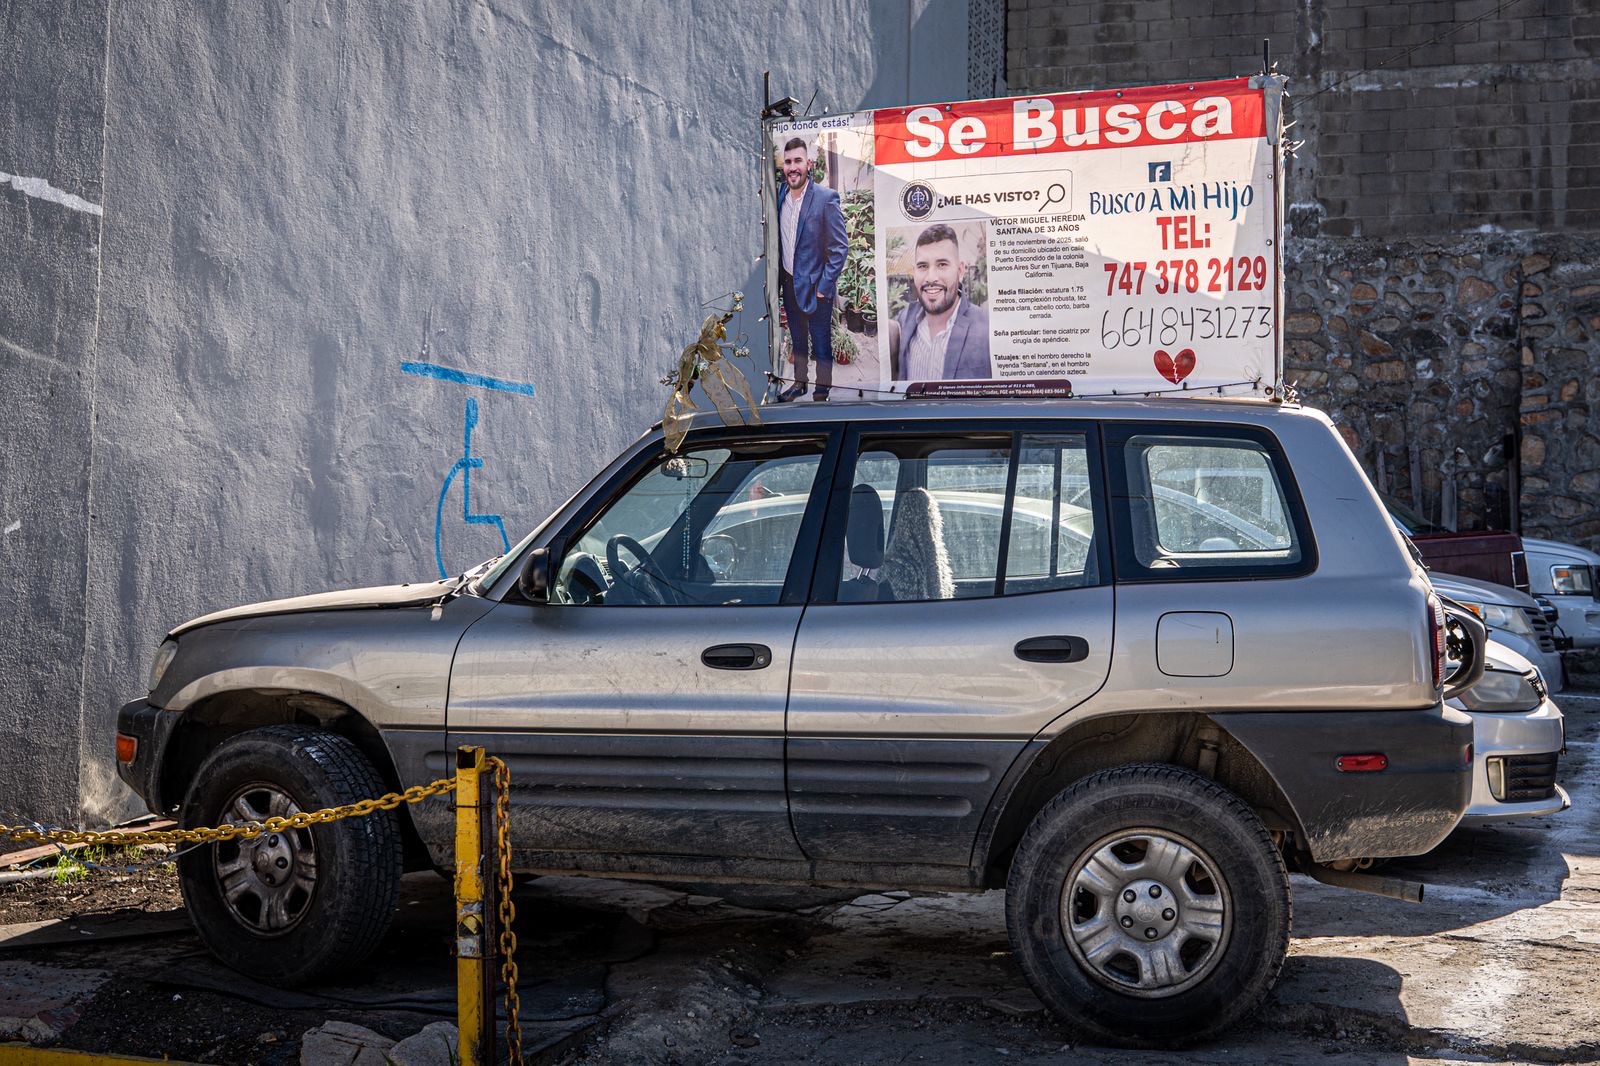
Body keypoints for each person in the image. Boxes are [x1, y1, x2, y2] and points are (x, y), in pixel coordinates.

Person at [775, 137, 848, 402]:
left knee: (821, 344)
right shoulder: (780, 195)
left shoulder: (826, 198)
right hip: (789, 283)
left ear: (808, 163)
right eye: (788, 162)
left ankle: (822, 391)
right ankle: (800, 384)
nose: (792, 167)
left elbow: (840, 247)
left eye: (798, 160)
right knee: (797, 340)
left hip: (817, 288)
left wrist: (824, 288)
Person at [890, 223, 993, 382]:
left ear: (960, 271)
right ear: (914, 272)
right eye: (923, 266)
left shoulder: (987, 329)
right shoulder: (904, 320)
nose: (931, 277)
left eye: (942, 265)